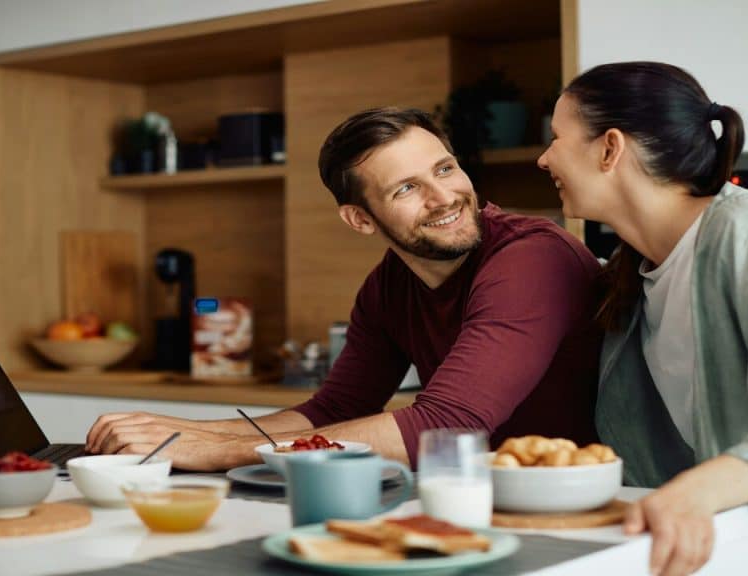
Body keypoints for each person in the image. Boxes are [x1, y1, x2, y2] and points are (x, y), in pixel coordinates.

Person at [87, 107, 603, 471]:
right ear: (359, 219)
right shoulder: (388, 287)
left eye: (445, 169)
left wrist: (218, 450)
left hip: (578, 506)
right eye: (407, 188)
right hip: (480, 495)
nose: (444, 197)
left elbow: (444, 423)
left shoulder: (532, 256)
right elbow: (332, 411)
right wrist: (180, 433)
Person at [536, 61, 748, 576]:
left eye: (557, 138)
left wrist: (694, 494)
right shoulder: (633, 272)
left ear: (610, 149)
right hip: (734, 551)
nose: (543, 159)